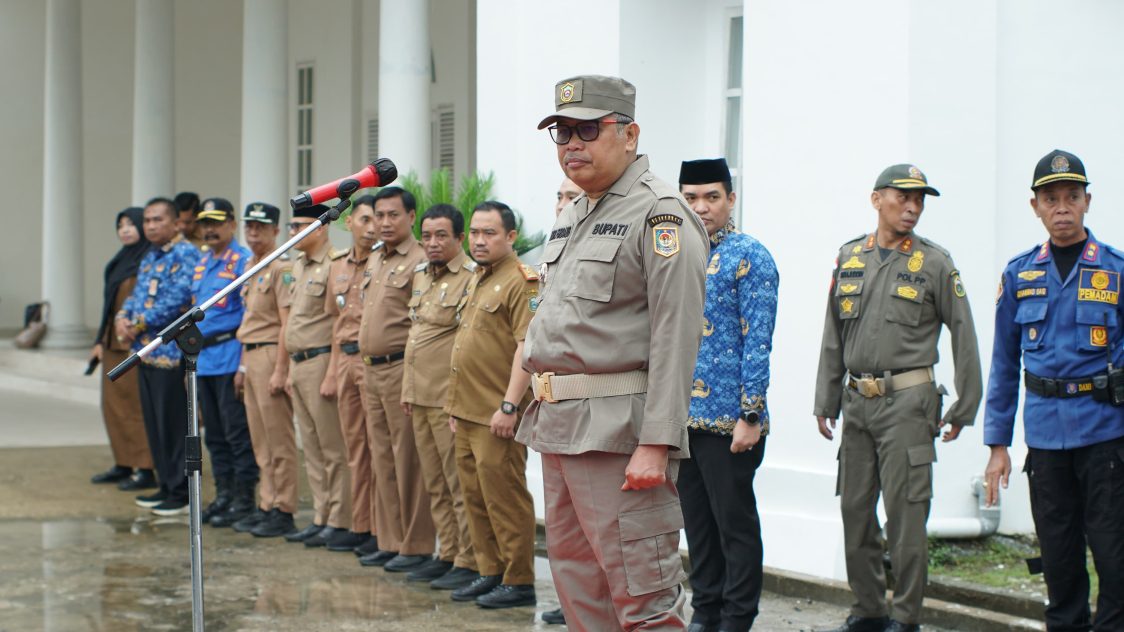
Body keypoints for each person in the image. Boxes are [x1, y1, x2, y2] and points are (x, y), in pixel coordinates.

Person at [521, 74, 708, 631]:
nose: (571, 144)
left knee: (642, 600)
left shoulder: (661, 215)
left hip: (620, 437)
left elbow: (676, 336)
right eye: (560, 132)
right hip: (560, 428)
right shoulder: (577, 214)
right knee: (581, 593)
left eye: (586, 129)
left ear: (630, 134)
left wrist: (657, 442)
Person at [813, 165, 982, 632]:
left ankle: (905, 618)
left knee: (907, 517)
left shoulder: (934, 263)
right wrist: (825, 400)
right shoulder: (850, 257)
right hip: (856, 403)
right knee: (854, 510)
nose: (912, 208)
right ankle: (869, 609)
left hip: (908, 403)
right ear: (876, 200)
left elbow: (964, 335)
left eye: (920, 200)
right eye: (902, 198)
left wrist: (964, 406)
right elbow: (834, 334)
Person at [983, 149, 1124, 632]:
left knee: (1114, 556)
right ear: (1035, 206)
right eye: (1051, 199)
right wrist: (998, 446)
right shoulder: (1020, 274)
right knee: (1060, 561)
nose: (1061, 207)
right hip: (1044, 440)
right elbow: (1003, 364)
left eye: (1071, 197)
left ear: (1087, 202)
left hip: (1106, 435)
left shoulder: (1116, 270)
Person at [678, 158, 779, 632]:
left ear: (731, 199)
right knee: (697, 526)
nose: (701, 207)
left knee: (733, 525)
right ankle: (707, 612)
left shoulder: (749, 256)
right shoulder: (675, 254)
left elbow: (758, 338)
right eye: (691, 197)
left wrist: (751, 413)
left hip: (730, 421)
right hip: (683, 419)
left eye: (712, 197)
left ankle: (738, 619)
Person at [445, 201, 538, 609]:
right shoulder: (478, 278)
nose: (480, 241)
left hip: (496, 412)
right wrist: (454, 405)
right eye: (475, 234)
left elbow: (527, 347)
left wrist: (510, 405)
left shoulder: (522, 281)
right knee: (475, 497)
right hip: (467, 410)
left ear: (511, 237)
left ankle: (518, 580)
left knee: (505, 497)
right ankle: (490, 571)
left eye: (490, 233)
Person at [399, 204, 481, 589]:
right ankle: (446, 552)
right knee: (434, 483)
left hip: (447, 399)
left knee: (457, 484)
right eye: (427, 236)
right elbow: (416, 337)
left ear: (459, 239)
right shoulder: (420, 276)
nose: (432, 243)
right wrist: (406, 389)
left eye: (441, 236)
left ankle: (467, 559)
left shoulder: (470, 277)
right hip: (419, 395)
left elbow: (467, 343)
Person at [354, 187, 434, 572]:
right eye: (379, 215)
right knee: (381, 458)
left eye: (392, 215)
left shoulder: (420, 259)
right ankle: (389, 539)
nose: (384, 223)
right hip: (370, 369)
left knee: (408, 461)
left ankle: (415, 544)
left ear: (412, 217)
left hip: (402, 368)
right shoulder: (375, 259)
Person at [115, 197, 201, 515]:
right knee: (154, 426)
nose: (150, 226)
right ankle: (165, 485)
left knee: (173, 425)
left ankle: (179, 491)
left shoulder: (186, 253)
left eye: (157, 220)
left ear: (176, 223)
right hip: (144, 353)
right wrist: (122, 318)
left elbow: (177, 300)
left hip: (169, 353)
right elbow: (138, 295)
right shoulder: (150, 255)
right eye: (147, 220)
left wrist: (136, 324)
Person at [281, 204, 353, 547]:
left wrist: (333, 374)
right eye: (290, 225)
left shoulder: (336, 263)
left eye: (298, 225)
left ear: (321, 228)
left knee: (332, 447)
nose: (291, 232)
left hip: (322, 361)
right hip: (298, 363)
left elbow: (340, 322)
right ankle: (322, 515)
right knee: (310, 446)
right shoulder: (297, 265)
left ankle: (340, 519)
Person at [186, 198, 259, 529]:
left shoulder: (242, 261)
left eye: (216, 222)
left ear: (231, 224)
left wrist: (244, 363)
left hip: (230, 354)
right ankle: (224, 495)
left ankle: (244, 498)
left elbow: (249, 314)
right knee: (213, 435)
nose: (210, 229)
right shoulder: (203, 263)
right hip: (205, 358)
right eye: (205, 223)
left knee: (236, 432)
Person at [234, 202, 299, 538]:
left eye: (260, 227)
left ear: (275, 230)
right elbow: (249, 321)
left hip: (273, 353)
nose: (253, 232)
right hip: (253, 354)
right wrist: (243, 365)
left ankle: (284, 507)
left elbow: (286, 322)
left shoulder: (280, 267)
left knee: (279, 440)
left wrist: (281, 370)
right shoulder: (251, 264)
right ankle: (266, 502)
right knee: (260, 439)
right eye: (249, 226)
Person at [323, 196, 380, 555]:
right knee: (355, 448)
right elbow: (335, 322)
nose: (372, 226)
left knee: (379, 448)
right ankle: (361, 525)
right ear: (349, 224)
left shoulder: (385, 262)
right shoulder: (337, 267)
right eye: (364, 219)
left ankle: (380, 529)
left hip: (372, 361)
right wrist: (331, 372)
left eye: (377, 219)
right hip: (344, 362)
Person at [90, 206, 155, 492]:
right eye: (121, 225)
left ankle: (145, 467)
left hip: (135, 345)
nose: (125, 229)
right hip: (112, 343)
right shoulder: (120, 261)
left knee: (134, 408)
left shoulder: (147, 260)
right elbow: (109, 307)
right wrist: (98, 341)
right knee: (113, 407)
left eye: (131, 224)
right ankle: (123, 463)